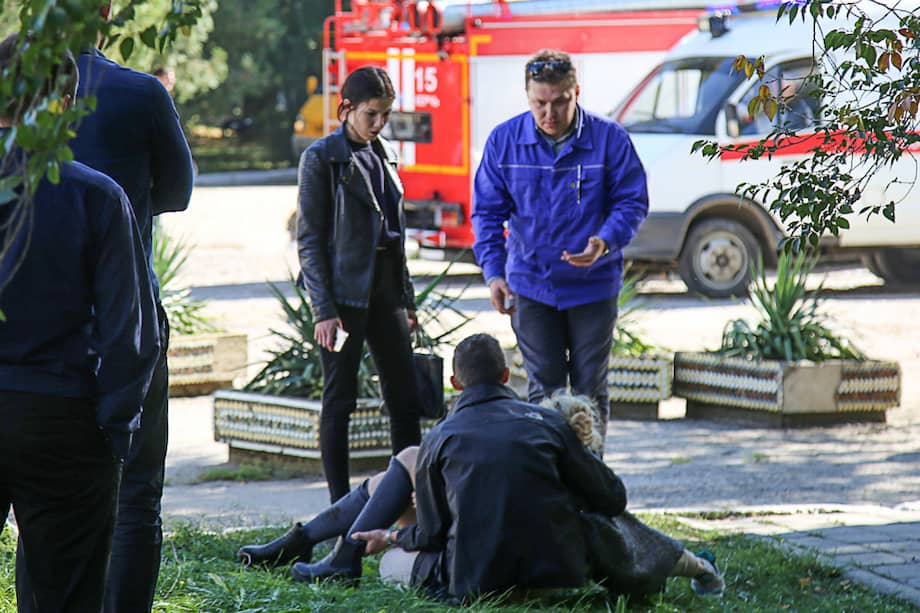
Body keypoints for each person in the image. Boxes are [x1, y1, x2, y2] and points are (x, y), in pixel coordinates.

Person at [237, 333, 723, 601]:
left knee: (392, 542)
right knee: (403, 474)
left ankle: (334, 553)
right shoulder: (546, 425)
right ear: (508, 375)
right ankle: (322, 551)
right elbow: (614, 499)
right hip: (559, 569)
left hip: (475, 581)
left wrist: (393, 538)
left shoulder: (440, 439)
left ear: (453, 382)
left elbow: (430, 534)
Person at [40, 3, 195, 611]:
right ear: (106, 11)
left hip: (36, 325)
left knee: (42, 503)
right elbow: (178, 193)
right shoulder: (140, 94)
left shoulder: (13, 95)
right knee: (137, 497)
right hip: (126, 316)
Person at [0, 33, 159, 612]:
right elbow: (131, 331)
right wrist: (114, 426)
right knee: (65, 595)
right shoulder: (98, 197)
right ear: (68, 105)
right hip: (63, 416)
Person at [472, 49, 649, 440]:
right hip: (531, 286)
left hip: (593, 286)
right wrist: (494, 274)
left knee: (590, 390)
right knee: (544, 394)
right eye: (540, 103)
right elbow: (486, 214)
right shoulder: (504, 142)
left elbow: (632, 201)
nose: (549, 114)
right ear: (527, 97)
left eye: (560, 102)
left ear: (576, 93)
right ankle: (549, 488)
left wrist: (604, 241)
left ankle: (592, 483)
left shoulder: (610, 140)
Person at [297, 65, 422, 503]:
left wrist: (407, 300)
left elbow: (397, 235)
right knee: (340, 400)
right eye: (372, 114)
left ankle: (406, 498)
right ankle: (338, 506)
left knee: (405, 398)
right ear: (346, 108)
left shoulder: (385, 153)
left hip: (386, 291)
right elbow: (309, 240)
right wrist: (323, 310)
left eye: (385, 114)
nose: (379, 123)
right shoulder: (322, 158)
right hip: (344, 299)